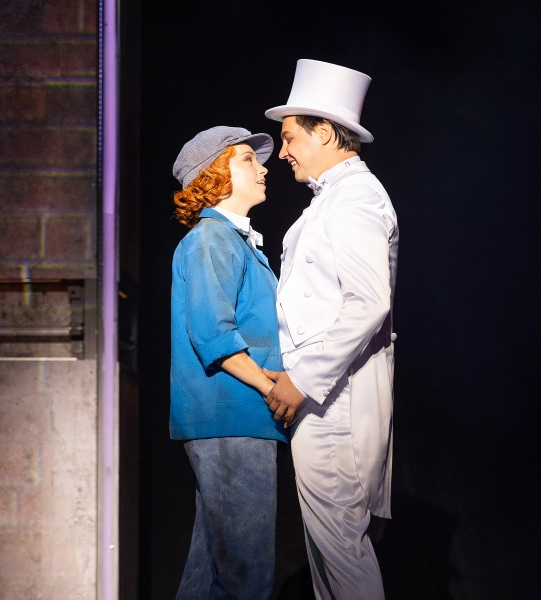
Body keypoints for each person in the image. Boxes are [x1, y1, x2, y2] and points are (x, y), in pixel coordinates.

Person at [262, 59, 399, 599]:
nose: (284, 152)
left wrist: (303, 380)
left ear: (323, 132)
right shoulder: (332, 200)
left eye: (290, 137)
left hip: (334, 404)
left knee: (341, 554)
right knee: (329, 561)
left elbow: (369, 303)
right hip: (323, 400)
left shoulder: (356, 196)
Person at [169, 125, 289, 599]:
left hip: (238, 418)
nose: (263, 169)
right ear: (213, 174)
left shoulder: (233, 242)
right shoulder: (211, 240)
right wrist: (271, 388)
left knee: (211, 577)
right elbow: (213, 334)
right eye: (246, 160)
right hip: (231, 416)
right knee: (245, 574)